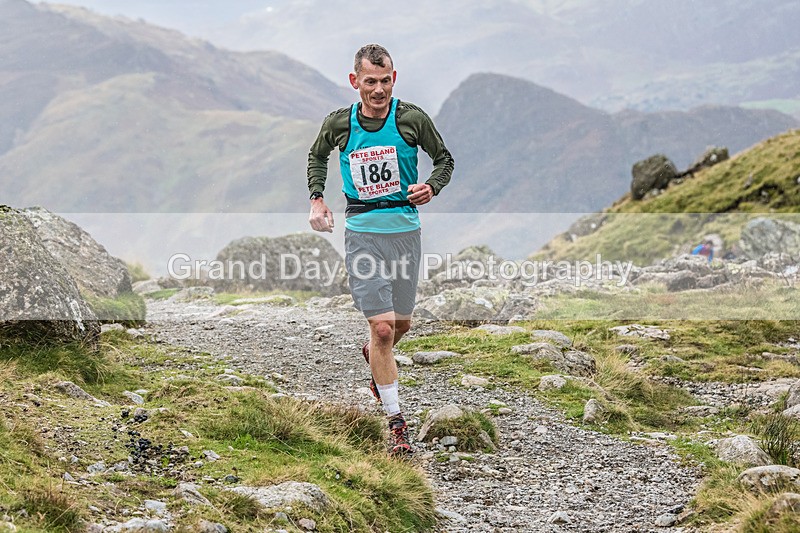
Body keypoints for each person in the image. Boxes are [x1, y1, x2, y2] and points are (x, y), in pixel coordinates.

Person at [307, 44, 454, 455]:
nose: (378, 90)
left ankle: (375, 357)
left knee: (401, 325)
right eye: (369, 81)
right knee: (384, 326)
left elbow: (444, 159)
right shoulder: (339, 123)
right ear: (355, 81)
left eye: (384, 80)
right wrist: (317, 199)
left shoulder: (411, 119)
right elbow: (317, 156)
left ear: (394, 78)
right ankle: (396, 424)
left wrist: (432, 186)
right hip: (362, 233)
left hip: (406, 232)